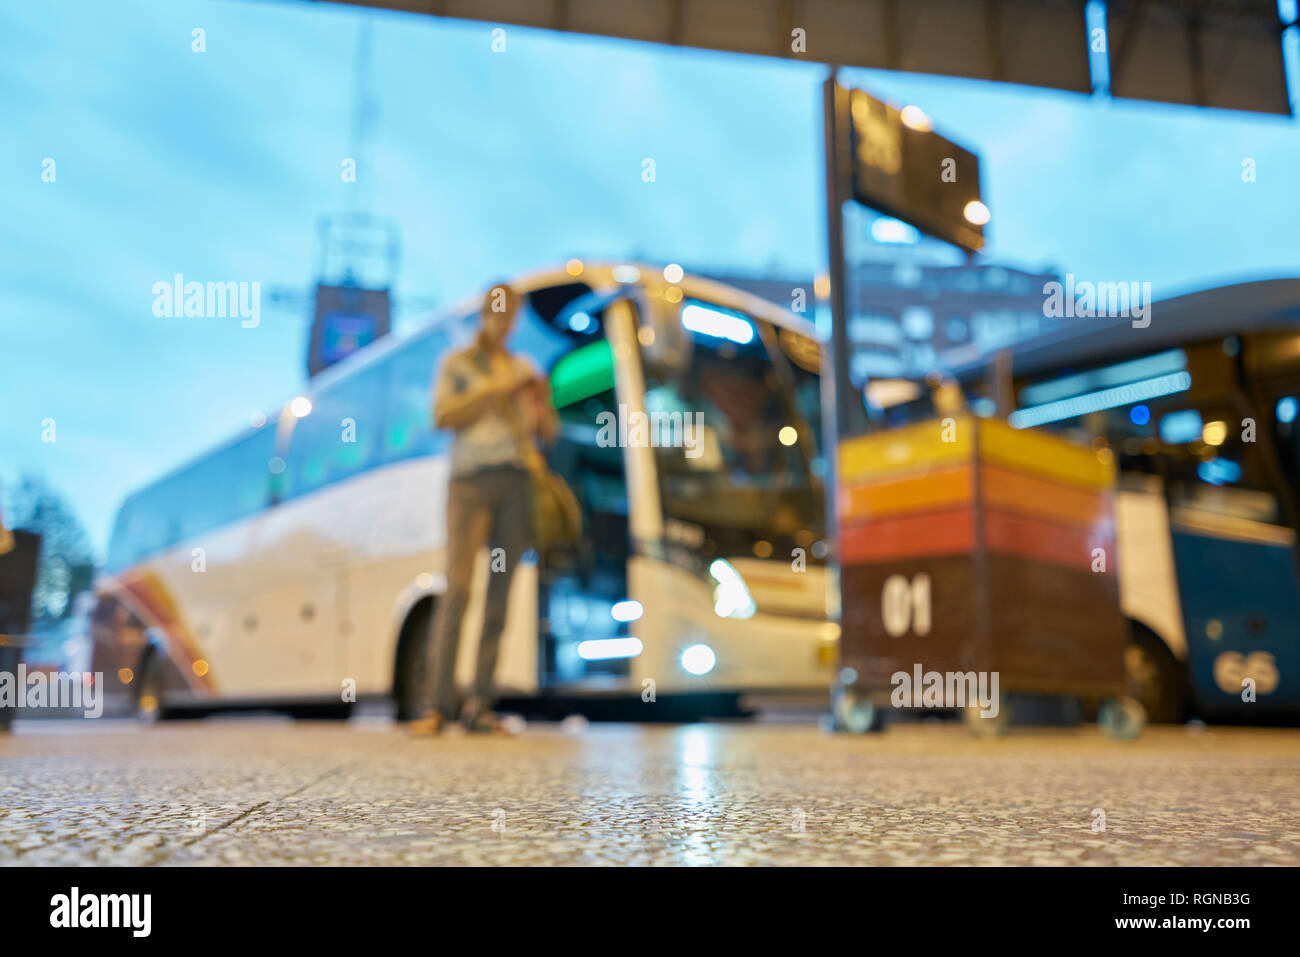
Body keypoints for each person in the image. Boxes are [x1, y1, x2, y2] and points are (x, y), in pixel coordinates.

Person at [412, 282, 557, 734]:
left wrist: (540, 398)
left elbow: (547, 432)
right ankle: (438, 706)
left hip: (515, 483)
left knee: (501, 594)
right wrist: (499, 389)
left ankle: (481, 706)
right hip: (470, 484)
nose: (505, 320)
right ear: (484, 313)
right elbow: (442, 416)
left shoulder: (523, 366)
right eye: (498, 311)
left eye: (512, 313)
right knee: (458, 589)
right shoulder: (458, 364)